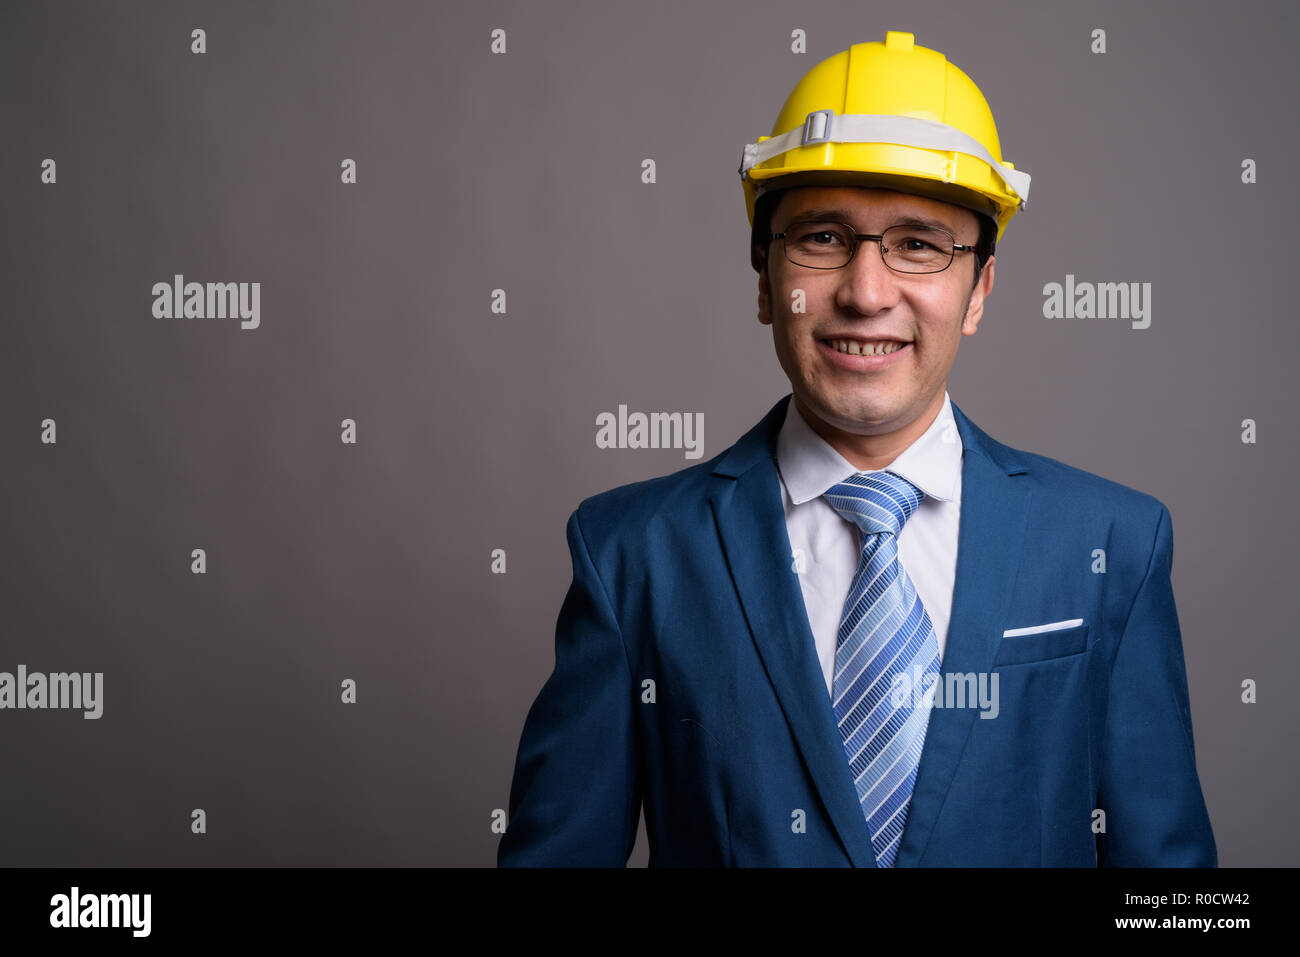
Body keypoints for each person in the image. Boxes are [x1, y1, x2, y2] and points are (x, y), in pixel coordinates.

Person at [498, 30, 1216, 867]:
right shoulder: (632, 554)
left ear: (978, 288)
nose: (866, 292)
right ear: (766, 281)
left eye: (919, 244)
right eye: (824, 238)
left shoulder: (1110, 545)